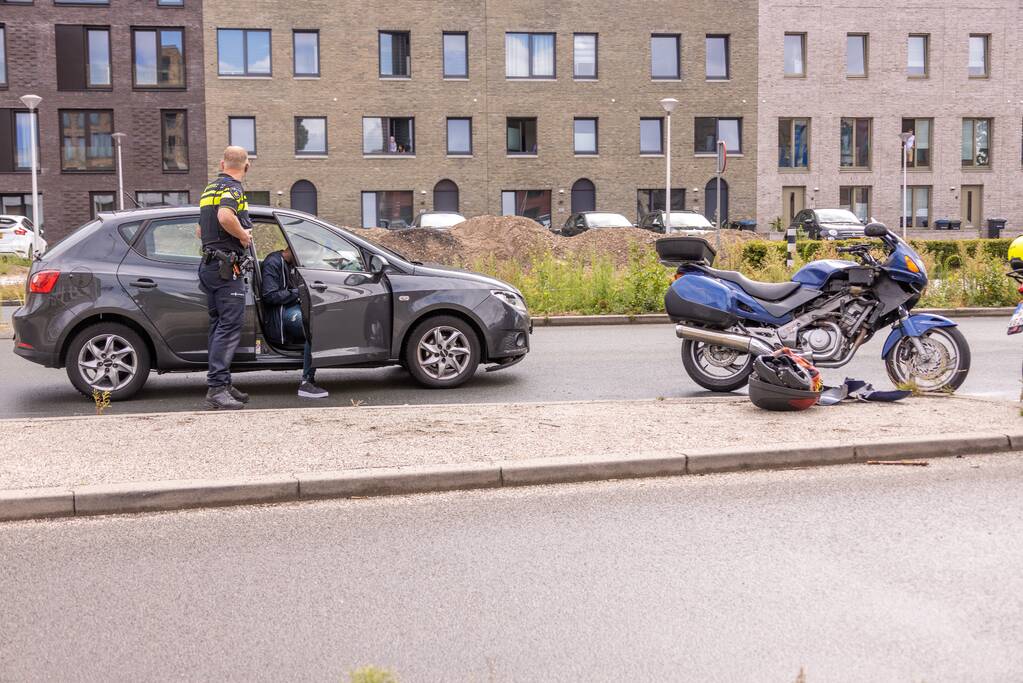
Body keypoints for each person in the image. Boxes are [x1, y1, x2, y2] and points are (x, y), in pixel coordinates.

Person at [198, 146, 253, 410]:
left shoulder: (209, 190)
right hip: (225, 269)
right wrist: (243, 235)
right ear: (246, 166)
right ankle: (217, 388)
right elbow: (224, 216)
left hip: (210, 266)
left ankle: (223, 383)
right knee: (230, 326)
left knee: (218, 326)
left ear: (222, 164)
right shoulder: (234, 189)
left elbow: (200, 231)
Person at [260, 247, 329, 399]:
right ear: (293, 249)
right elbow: (269, 296)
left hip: (295, 307)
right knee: (313, 328)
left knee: (322, 319)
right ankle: (306, 382)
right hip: (282, 313)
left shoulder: (291, 264)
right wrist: (298, 292)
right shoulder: (273, 262)